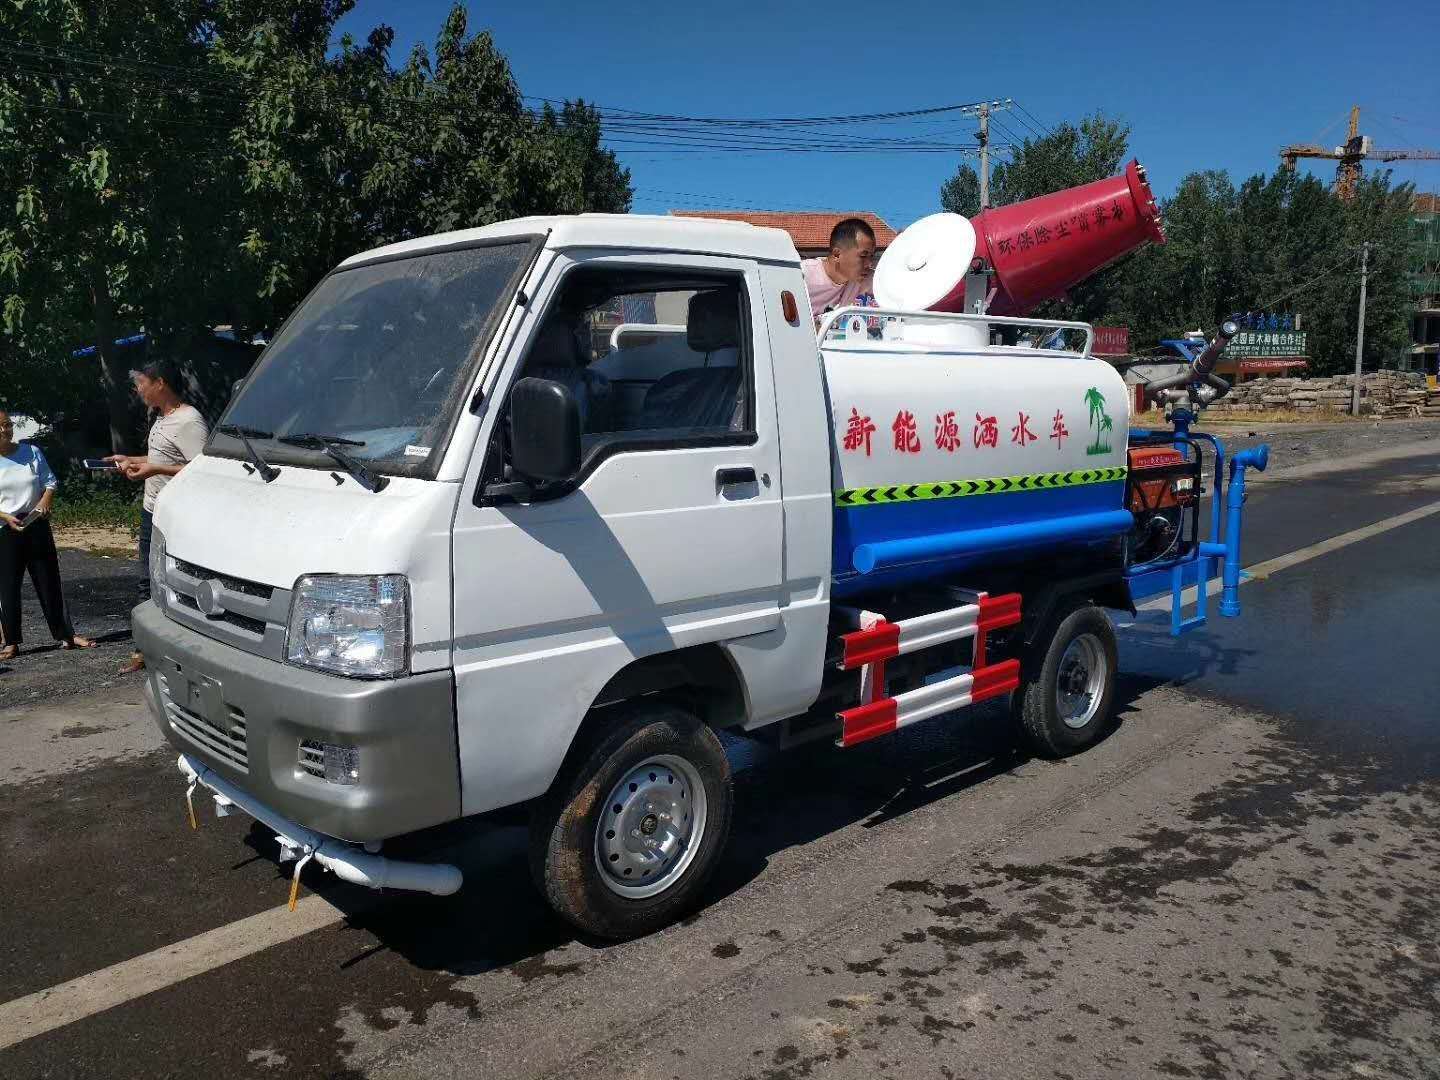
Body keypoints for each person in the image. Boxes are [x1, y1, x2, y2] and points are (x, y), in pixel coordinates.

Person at [107, 360, 209, 674]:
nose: (138, 390)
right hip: (151, 510)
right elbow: (160, 459)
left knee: (173, 583)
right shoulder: (162, 418)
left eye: (141, 383)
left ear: (160, 383)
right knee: (146, 582)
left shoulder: (189, 421)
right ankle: (144, 649)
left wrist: (155, 469)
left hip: (175, 518)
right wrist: (133, 460)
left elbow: (202, 469)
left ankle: (179, 651)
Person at [0, 411, 95, 658]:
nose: (4, 430)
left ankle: (65, 634)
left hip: (36, 523)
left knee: (48, 580)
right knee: (8, 586)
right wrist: (5, 517)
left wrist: (45, 502)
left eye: (7, 425)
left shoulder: (30, 452)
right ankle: (10, 640)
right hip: (5, 527)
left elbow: (50, 482)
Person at [802, 218, 879, 323]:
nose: (869, 263)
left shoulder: (861, 279)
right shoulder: (802, 275)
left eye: (871, 256)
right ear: (837, 255)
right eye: (863, 256)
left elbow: (893, 283)